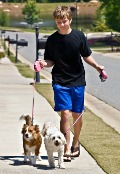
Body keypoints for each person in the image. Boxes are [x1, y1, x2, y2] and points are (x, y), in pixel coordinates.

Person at [39, 5, 105, 162]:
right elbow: (50, 61)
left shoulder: (79, 36)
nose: (61, 24)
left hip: (77, 80)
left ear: (70, 20)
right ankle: (66, 148)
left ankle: (76, 143)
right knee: (65, 113)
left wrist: (97, 67)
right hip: (60, 81)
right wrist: (43, 63)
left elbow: (86, 55)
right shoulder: (52, 40)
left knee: (77, 114)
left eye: (64, 21)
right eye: (58, 22)